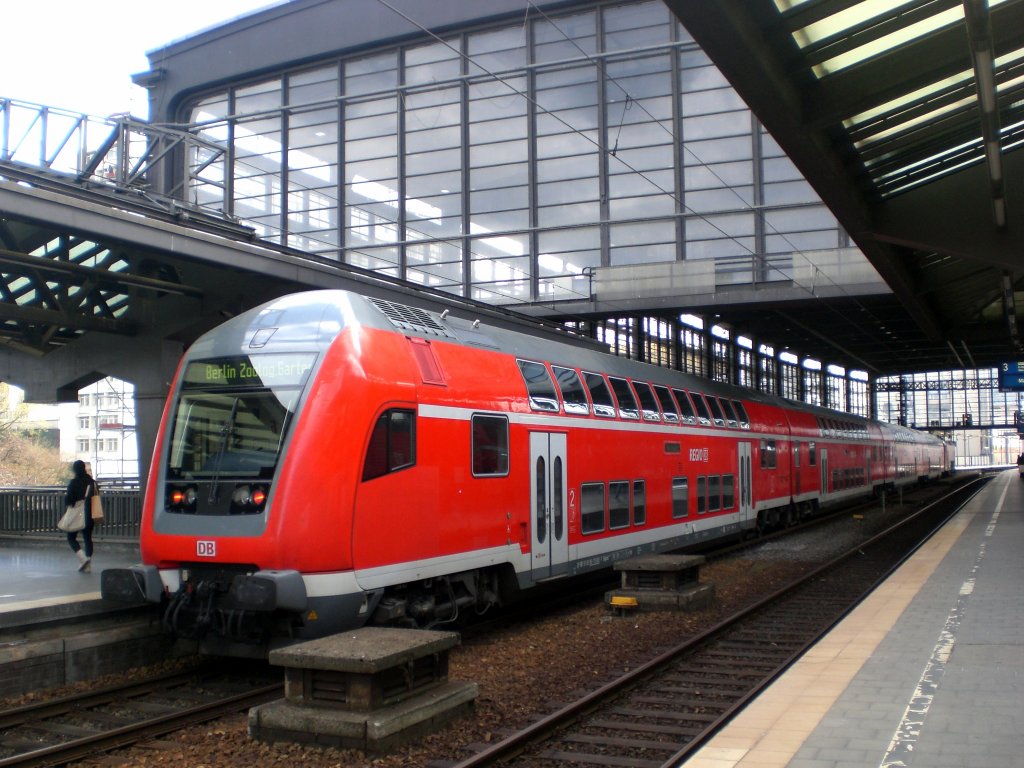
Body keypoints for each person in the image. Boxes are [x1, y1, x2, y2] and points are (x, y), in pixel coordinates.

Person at [64, 460, 97, 572]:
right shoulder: (92, 482)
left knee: (71, 537)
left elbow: (68, 499)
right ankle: (88, 563)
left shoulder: (74, 482)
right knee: (88, 538)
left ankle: (83, 559)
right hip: (91, 513)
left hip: (78, 513)